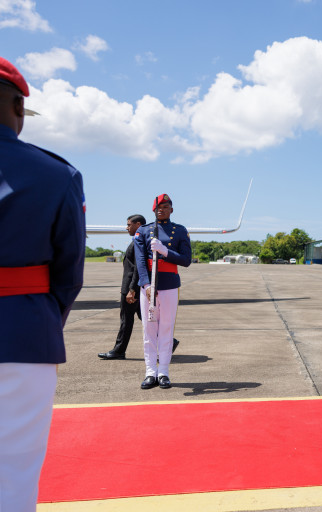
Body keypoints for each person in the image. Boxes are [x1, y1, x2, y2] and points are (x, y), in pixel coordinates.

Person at [0, 57, 86, 511]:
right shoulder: (56, 174)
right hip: (22, 335)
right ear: (19, 106)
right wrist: (43, 318)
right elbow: (69, 274)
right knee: (12, 478)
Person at [134, 194, 191, 390]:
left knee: (166, 329)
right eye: (158, 207)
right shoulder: (143, 231)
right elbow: (140, 261)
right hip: (149, 288)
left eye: (165, 207)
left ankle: (164, 372)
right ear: (154, 210)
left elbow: (186, 260)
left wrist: (165, 251)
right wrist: (146, 285)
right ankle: (150, 372)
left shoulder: (180, 231)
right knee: (148, 331)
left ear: (171, 210)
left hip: (169, 285)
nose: (161, 210)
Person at [98, 215, 146, 360]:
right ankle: (169, 341)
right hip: (133, 287)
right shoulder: (139, 240)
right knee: (145, 318)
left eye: (129, 224)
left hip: (133, 289)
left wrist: (131, 289)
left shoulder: (139, 241)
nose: (126, 228)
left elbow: (137, 268)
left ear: (138, 224)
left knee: (126, 320)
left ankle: (119, 351)